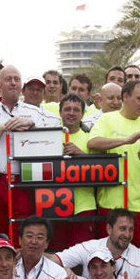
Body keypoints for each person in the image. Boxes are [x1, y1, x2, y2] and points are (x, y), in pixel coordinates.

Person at [0, 65, 59, 234]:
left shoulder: (34, 112)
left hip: (24, 180)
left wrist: (32, 125)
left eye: (17, 79)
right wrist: (2, 128)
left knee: (23, 230)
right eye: (9, 79)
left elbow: (54, 135)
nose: (13, 83)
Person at [87, 80, 140, 242]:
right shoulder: (106, 119)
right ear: (125, 96)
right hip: (110, 203)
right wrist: (125, 141)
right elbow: (93, 143)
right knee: (108, 257)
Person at [52, 209, 140, 279]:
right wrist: (64, 269)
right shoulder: (89, 247)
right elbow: (53, 260)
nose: (127, 234)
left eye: (131, 229)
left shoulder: (139, 258)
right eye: (122, 229)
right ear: (109, 229)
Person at [54, 93, 99, 246]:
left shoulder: (91, 138)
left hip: (84, 206)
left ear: (83, 114)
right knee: (57, 255)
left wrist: (81, 155)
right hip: (54, 205)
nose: (71, 113)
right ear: (60, 112)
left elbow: (101, 172)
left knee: (82, 256)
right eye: (67, 109)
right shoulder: (50, 137)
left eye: (76, 110)